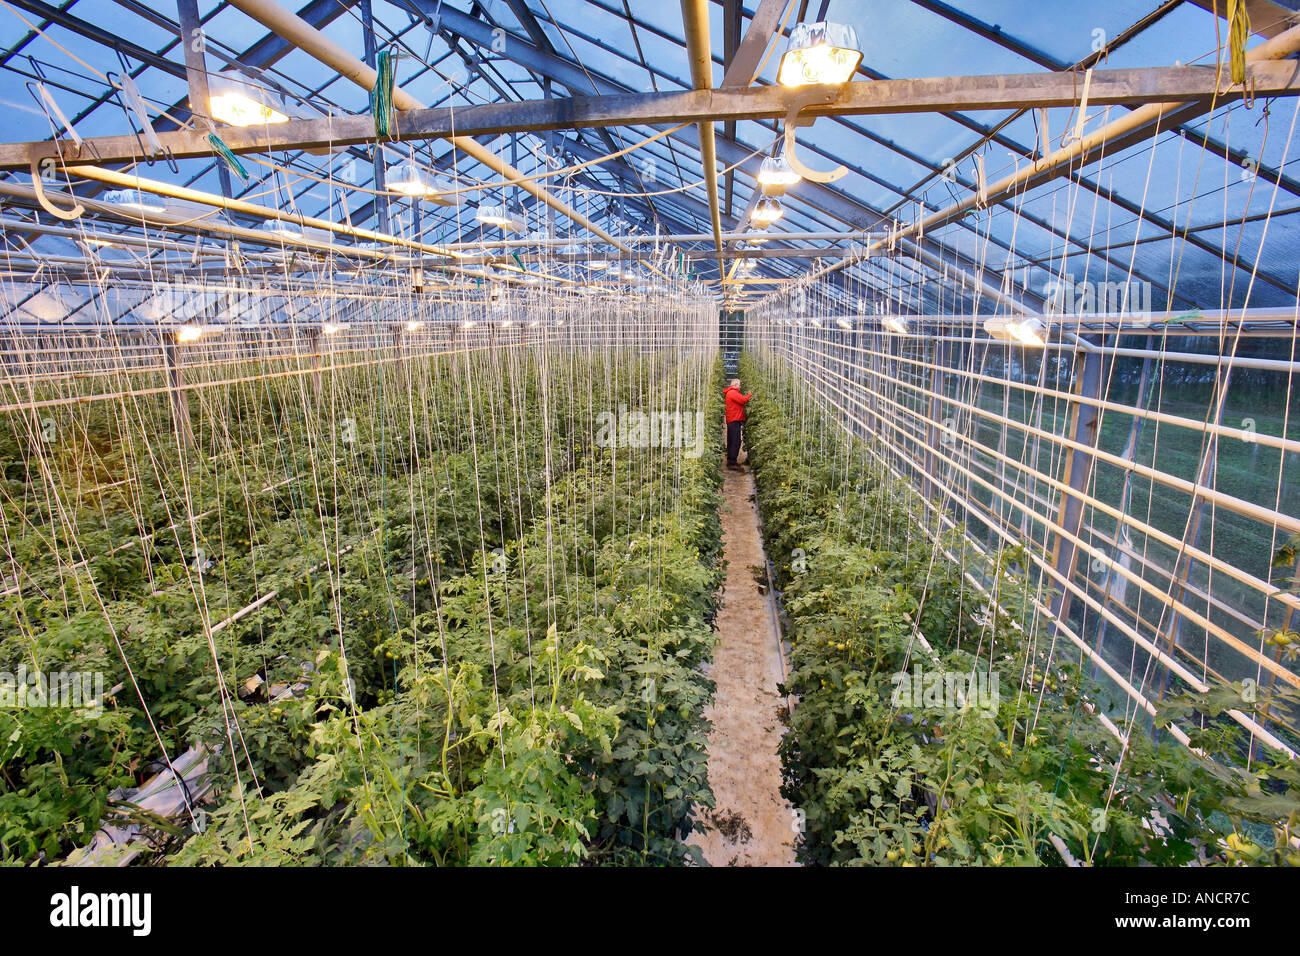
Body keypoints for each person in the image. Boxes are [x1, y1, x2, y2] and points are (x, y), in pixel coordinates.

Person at [723, 378, 752, 469]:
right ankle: (732, 462)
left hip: (733, 419)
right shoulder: (732, 393)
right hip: (734, 419)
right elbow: (743, 400)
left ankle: (731, 460)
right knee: (735, 441)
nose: (740, 386)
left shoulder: (731, 392)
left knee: (731, 441)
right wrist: (749, 395)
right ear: (735, 385)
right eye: (739, 385)